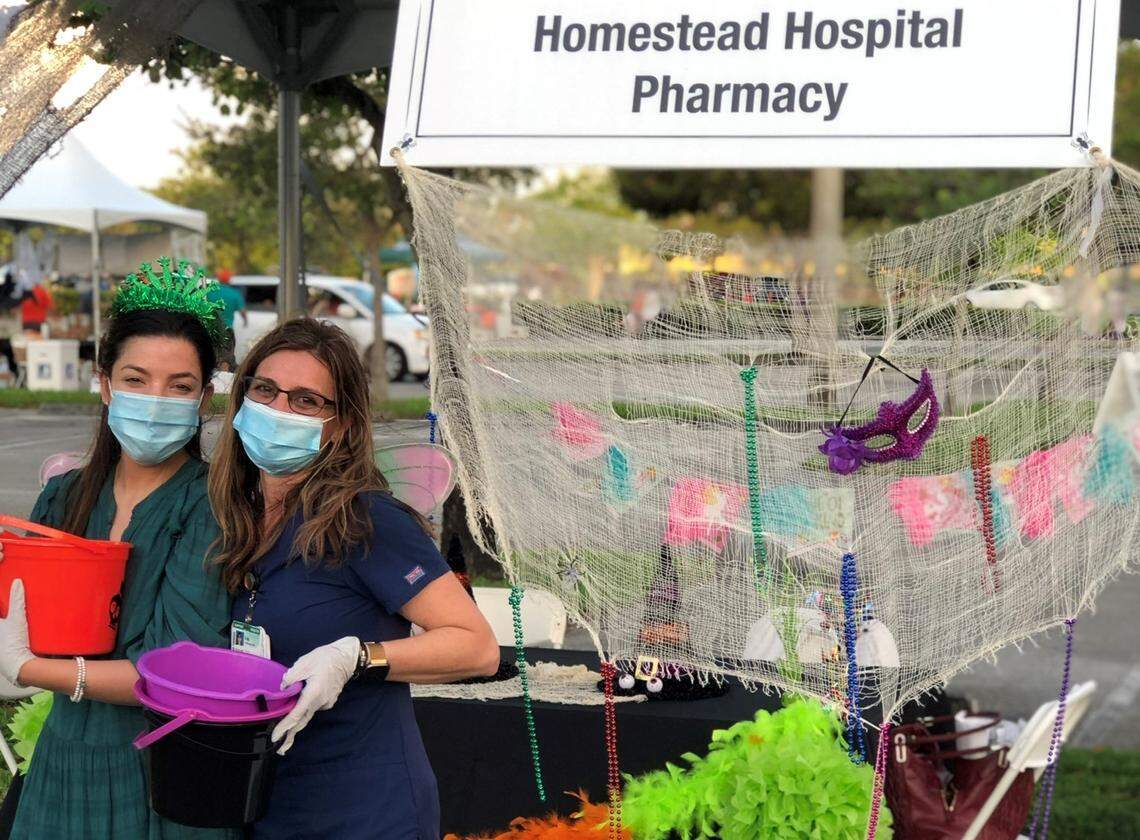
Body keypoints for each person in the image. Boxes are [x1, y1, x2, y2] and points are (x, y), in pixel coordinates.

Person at [209, 318, 499, 839]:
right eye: (266, 390)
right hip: (265, 804)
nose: (278, 409)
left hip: (362, 809)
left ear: (339, 425)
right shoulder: (233, 516)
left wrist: (356, 657)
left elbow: (476, 647)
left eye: (305, 401)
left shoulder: (366, 519)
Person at [0, 257, 240, 839]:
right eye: (135, 380)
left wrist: (28, 668)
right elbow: (21, 615)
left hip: (163, 777)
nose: (155, 399)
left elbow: (168, 676)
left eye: (179, 386)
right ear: (105, 384)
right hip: (61, 762)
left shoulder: (212, 507)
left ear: (204, 400)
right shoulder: (63, 498)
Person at [207, 268, 248, 370]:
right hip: (226, 329)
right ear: (229, 280)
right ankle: (223, 379)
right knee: (226, 359)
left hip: (209, 329)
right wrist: (245, 321)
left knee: (209, 355)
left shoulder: (209, 291)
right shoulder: (234, 293)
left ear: (218, 279)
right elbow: (242, 311)